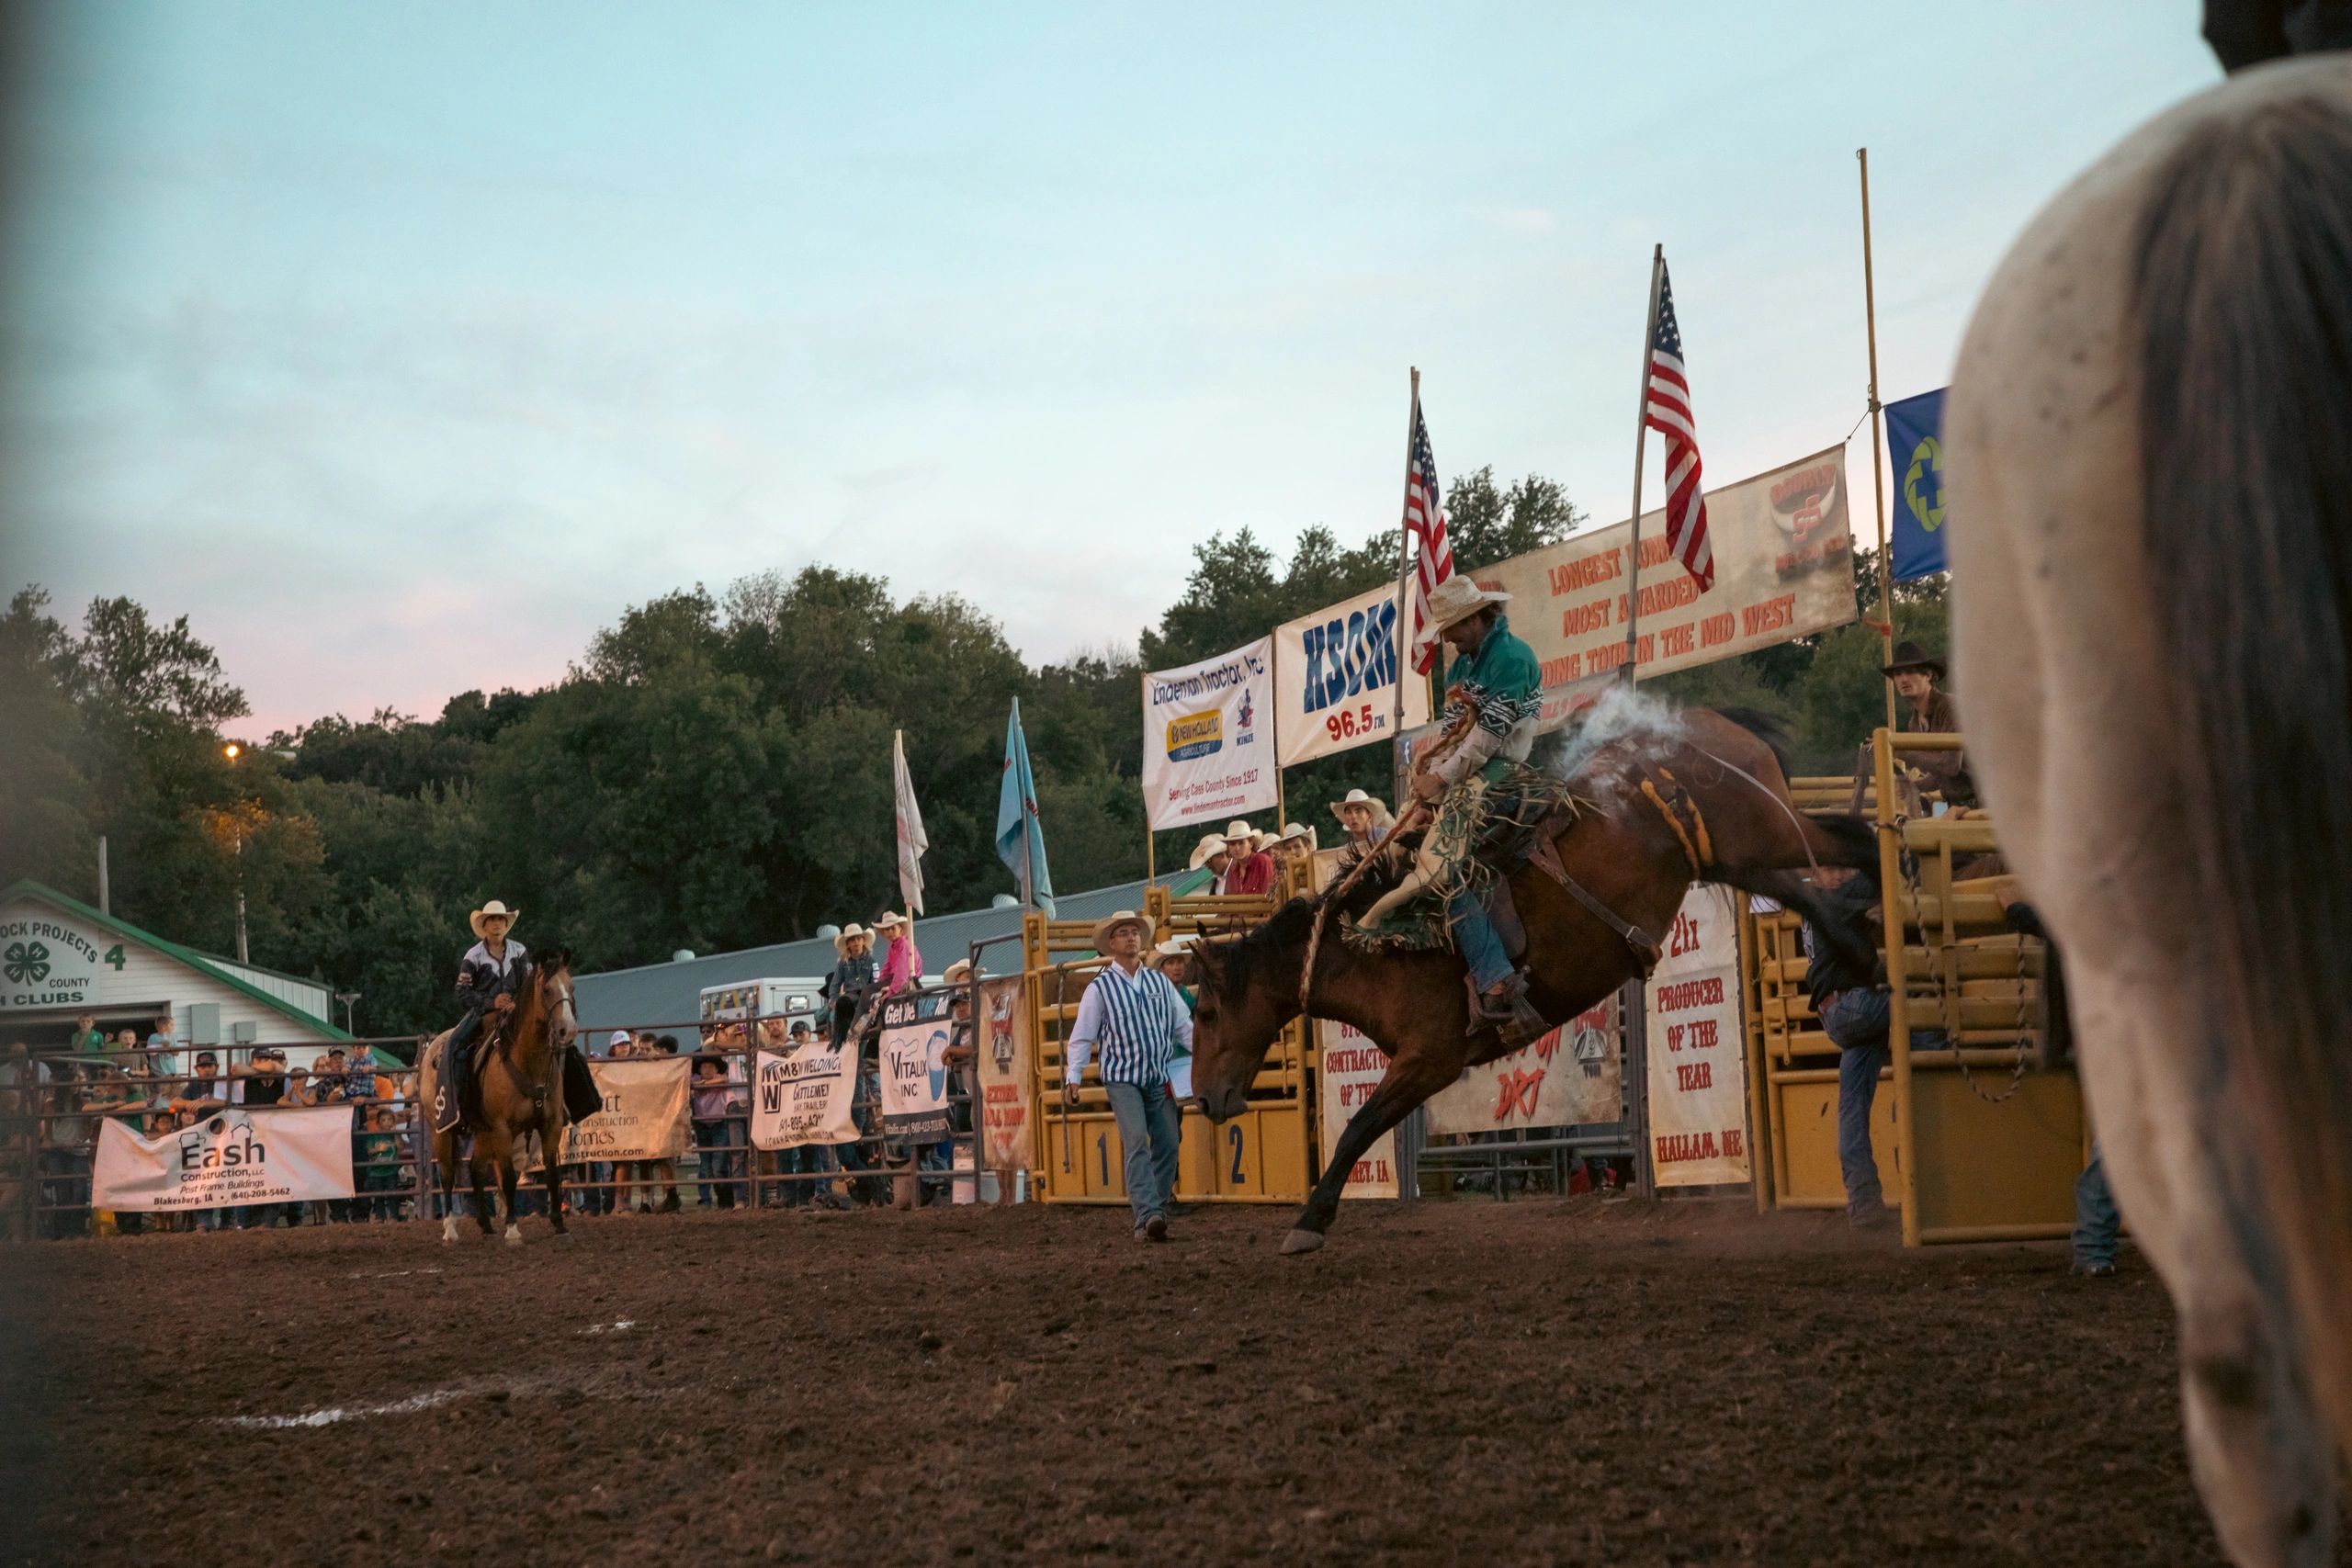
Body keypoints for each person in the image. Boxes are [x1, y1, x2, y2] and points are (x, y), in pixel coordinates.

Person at [1403, 575, 1548, 1042]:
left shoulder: (1512, 658)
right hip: (1471, 776)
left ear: (1475, 617)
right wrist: (1430, 790)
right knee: (1420, 850)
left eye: (1452, 628)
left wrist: (1439, 780)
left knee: (1446, 870)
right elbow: (1452, 738)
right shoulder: (1461, 668)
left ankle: (1494, 975)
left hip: (1504, 774)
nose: (1447, 638)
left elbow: (1488, 740)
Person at [1063, 909, 1192, 1242]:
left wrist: (1204, 1055)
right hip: (1123, 1079)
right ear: (1111, 944)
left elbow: (1183, 1028)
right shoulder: (1100, 988)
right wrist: (1073, 1075)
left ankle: (1155, 1209)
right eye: (1123, 933)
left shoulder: (1159, 982)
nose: (1131, 937)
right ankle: (1147, 1214)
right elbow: (1082, 1035)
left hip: (1158, 1075)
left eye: (1134, 932)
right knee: (1137, 1140)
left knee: (1168, 1143)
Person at [1796, 865, 1900, 1229]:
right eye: (1833, 869)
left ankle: (1864, 1202)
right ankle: (1932, 1070)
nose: (1841, 875)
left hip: (1840, 1014)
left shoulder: (1816, 902)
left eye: (1845, 868)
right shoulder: (1832, 900)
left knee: (1852, 1109)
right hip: (1854, 1006)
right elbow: (1881, 872)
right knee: (1921, 1003)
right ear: (1817, 875)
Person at [438, 898, 528, 1133]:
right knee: (455, 1047)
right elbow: (462, 992)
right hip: (482, 1014)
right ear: (485, 926)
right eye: (493, 920)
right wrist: (492, 1002)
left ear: (506, 924)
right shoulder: (473, 955)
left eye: (501, 919)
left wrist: (516, 1003)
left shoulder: (520, 951)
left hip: (516, 1013)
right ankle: (460, 1109)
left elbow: (528, 986)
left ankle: (566, 1103)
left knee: (554, 1041)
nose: (497, 924)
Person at [1885, 641, 1979, 810]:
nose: (1903, 679)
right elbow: (1941, 774)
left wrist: (1904, 752)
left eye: (1910, 672)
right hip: (1958, 807)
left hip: (1984, 806)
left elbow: (1951, 766)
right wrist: (1916, 786)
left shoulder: (1950, 707)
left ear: (1928, 675)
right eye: (1898, 674)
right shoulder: (1914, 722)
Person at [690, 1054, 746, 1210]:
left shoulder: (717, 1081)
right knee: (707, 1166)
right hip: (703, 1125)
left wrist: (703, 1084)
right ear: (699, 1069)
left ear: (716, 1069)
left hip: (719, 1124)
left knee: (718, 1165)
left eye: (711, 1067)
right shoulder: (695, 1081)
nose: (707, 1069)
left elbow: (724, 1079)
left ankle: (722, 1199)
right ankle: (712, 1199)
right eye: (704, 1067)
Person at [1216, 821, 1277, 895]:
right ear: (1228, 847)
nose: (1237, 848)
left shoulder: (1263, 861)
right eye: (1232, 844)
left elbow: (1267, 896)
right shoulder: (1232, 870)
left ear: (1251, 844)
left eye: (1241, 843)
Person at [1329, 788, 1395, 854]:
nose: (1353, 816)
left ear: (1370, 815)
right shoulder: (1347, 851)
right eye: (1349, 812)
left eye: (1358, 811)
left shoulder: (1387, 838)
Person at [875, 912, 923, 996]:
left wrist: (892, 990)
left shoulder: (904, 945)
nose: (890, 932)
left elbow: (902, 971)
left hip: (908, 983)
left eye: (893, 928)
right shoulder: (893, 947)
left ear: (900, 929)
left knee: (870, 991)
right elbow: (887, 969)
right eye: (887, 929)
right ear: (884, 932)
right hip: (898, 981)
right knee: (871, 990)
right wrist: (880, 983)